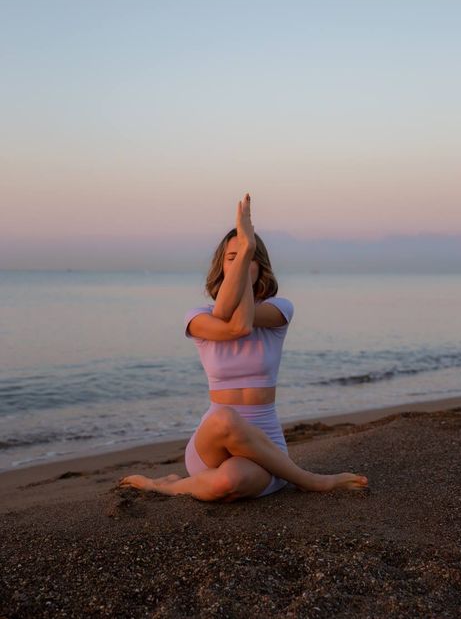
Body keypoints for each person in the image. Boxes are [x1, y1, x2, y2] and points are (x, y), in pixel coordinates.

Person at [119, 193, 368, 501]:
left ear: (261, 268)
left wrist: (245, 258)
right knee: (224, 418)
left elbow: (245, 319)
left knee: (228, 482)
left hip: (266, 448)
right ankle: (312, 481)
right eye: (232, 258)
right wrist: (246, 246)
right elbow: (233, 323)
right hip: (211, 446)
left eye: (248, 258)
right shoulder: (196, 317)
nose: (240, 264)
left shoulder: (280, 310)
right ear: (221, 268)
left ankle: (168, 484)